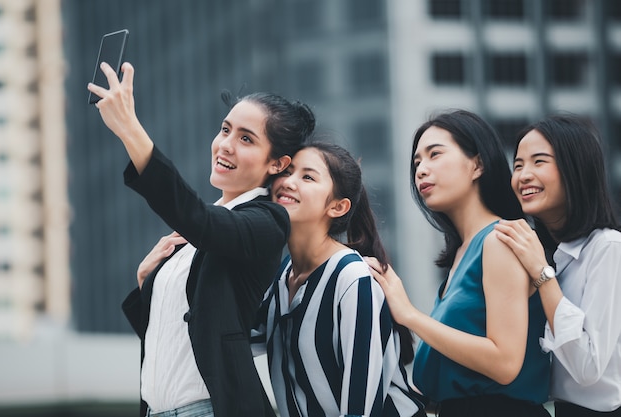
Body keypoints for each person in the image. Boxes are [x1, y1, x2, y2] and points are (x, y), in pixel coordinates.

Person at [87, 62, 315, 417]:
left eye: (245, 139)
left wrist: (130, 129)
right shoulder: (191, 238)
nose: (225, 145)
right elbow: (180, 337)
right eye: (225, 130)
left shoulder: (266, 222)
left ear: (276, 164)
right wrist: (147, 284)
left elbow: (200, 219)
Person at [365, 110, 552, 417]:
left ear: (477, 164)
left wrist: (410, 315)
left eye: (434, 154)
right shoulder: (463, 254)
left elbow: (505, 363)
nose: (422, 170)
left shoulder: (499, 240)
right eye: (416, 163)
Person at [250, 141, 427, 417]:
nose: (288, 182)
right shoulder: (282, 278)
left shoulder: (352, 279)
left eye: (307, 176)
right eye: (287, 172)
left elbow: (360, 410)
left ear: (337, 206)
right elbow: (233, 340)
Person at [494, 114, 621, 416]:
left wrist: (542, 274)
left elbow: (587, 367)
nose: (523, 175)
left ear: (575, 169)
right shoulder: (550, 255)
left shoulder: (608, 247)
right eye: (518, 164)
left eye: (539, 161)